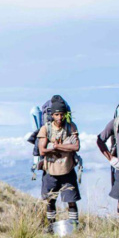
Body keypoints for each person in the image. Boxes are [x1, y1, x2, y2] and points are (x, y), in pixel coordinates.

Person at [37, 98, 81, 230]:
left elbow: (76, 147)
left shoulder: (71, 127)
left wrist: (56, 146)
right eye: (57, 114)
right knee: (50, 201)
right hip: (51, 171)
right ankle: (51, 228)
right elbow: (42, 150)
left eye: (62, 114)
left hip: (67, 170)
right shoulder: (46, 129)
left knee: (71, 201)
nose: (59, 117)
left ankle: (74, 228)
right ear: (52, 115)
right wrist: (65, 145)